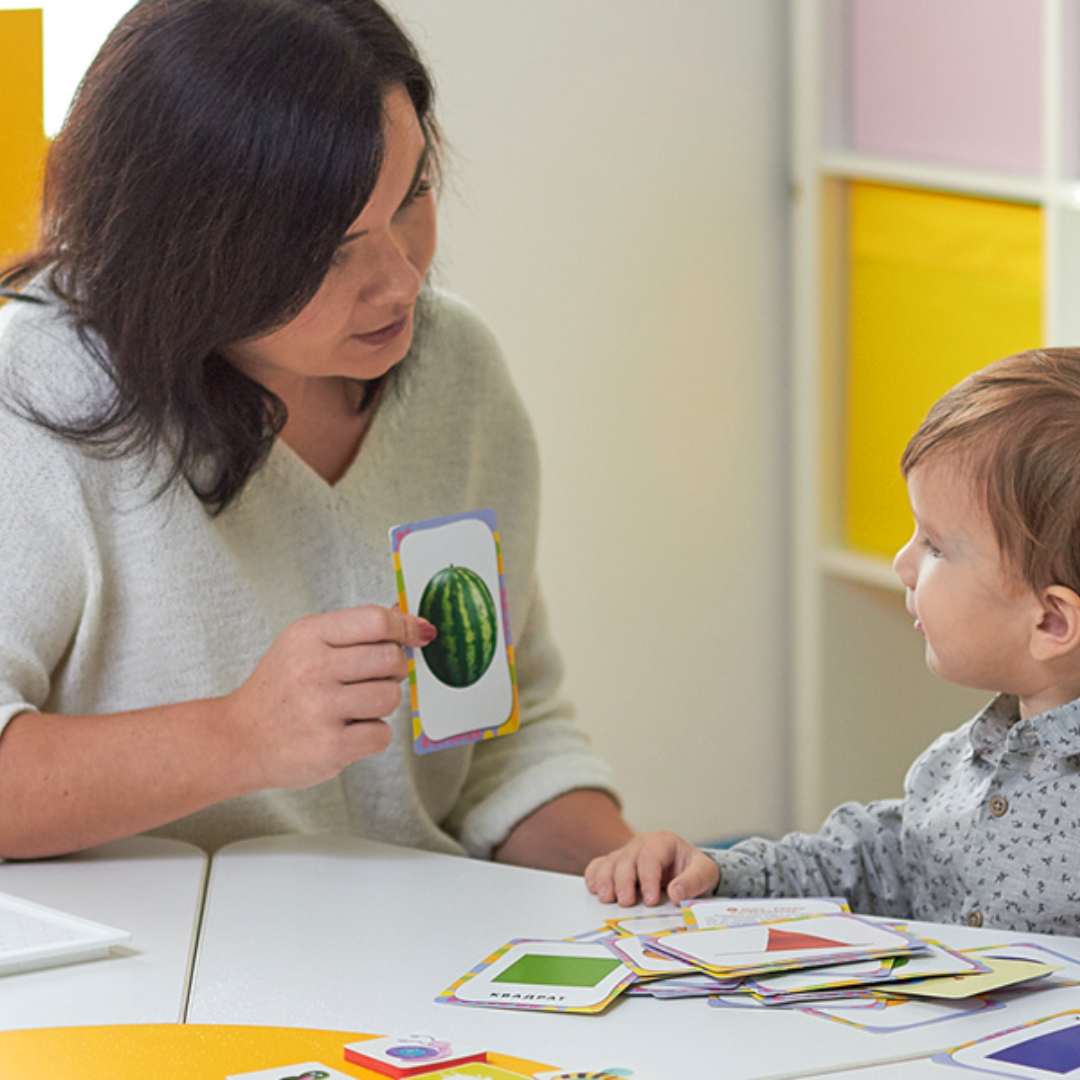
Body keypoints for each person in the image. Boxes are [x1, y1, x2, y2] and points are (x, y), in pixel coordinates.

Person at [0, 0, 633, 867]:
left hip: (417, 934)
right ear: (181, 248)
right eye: (331, 251)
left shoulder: (457, 370)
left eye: (411, 197)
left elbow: (500, 748)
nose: (399, 282)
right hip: (158, 952)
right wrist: (238, 736)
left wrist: (639, 881)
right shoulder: (34, 391)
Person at [586, 348, 1080, 934]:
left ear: (1051, 623)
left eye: (935, 547)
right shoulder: (958, 765)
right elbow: (872, 866)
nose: (903, 564)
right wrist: (718, 871)